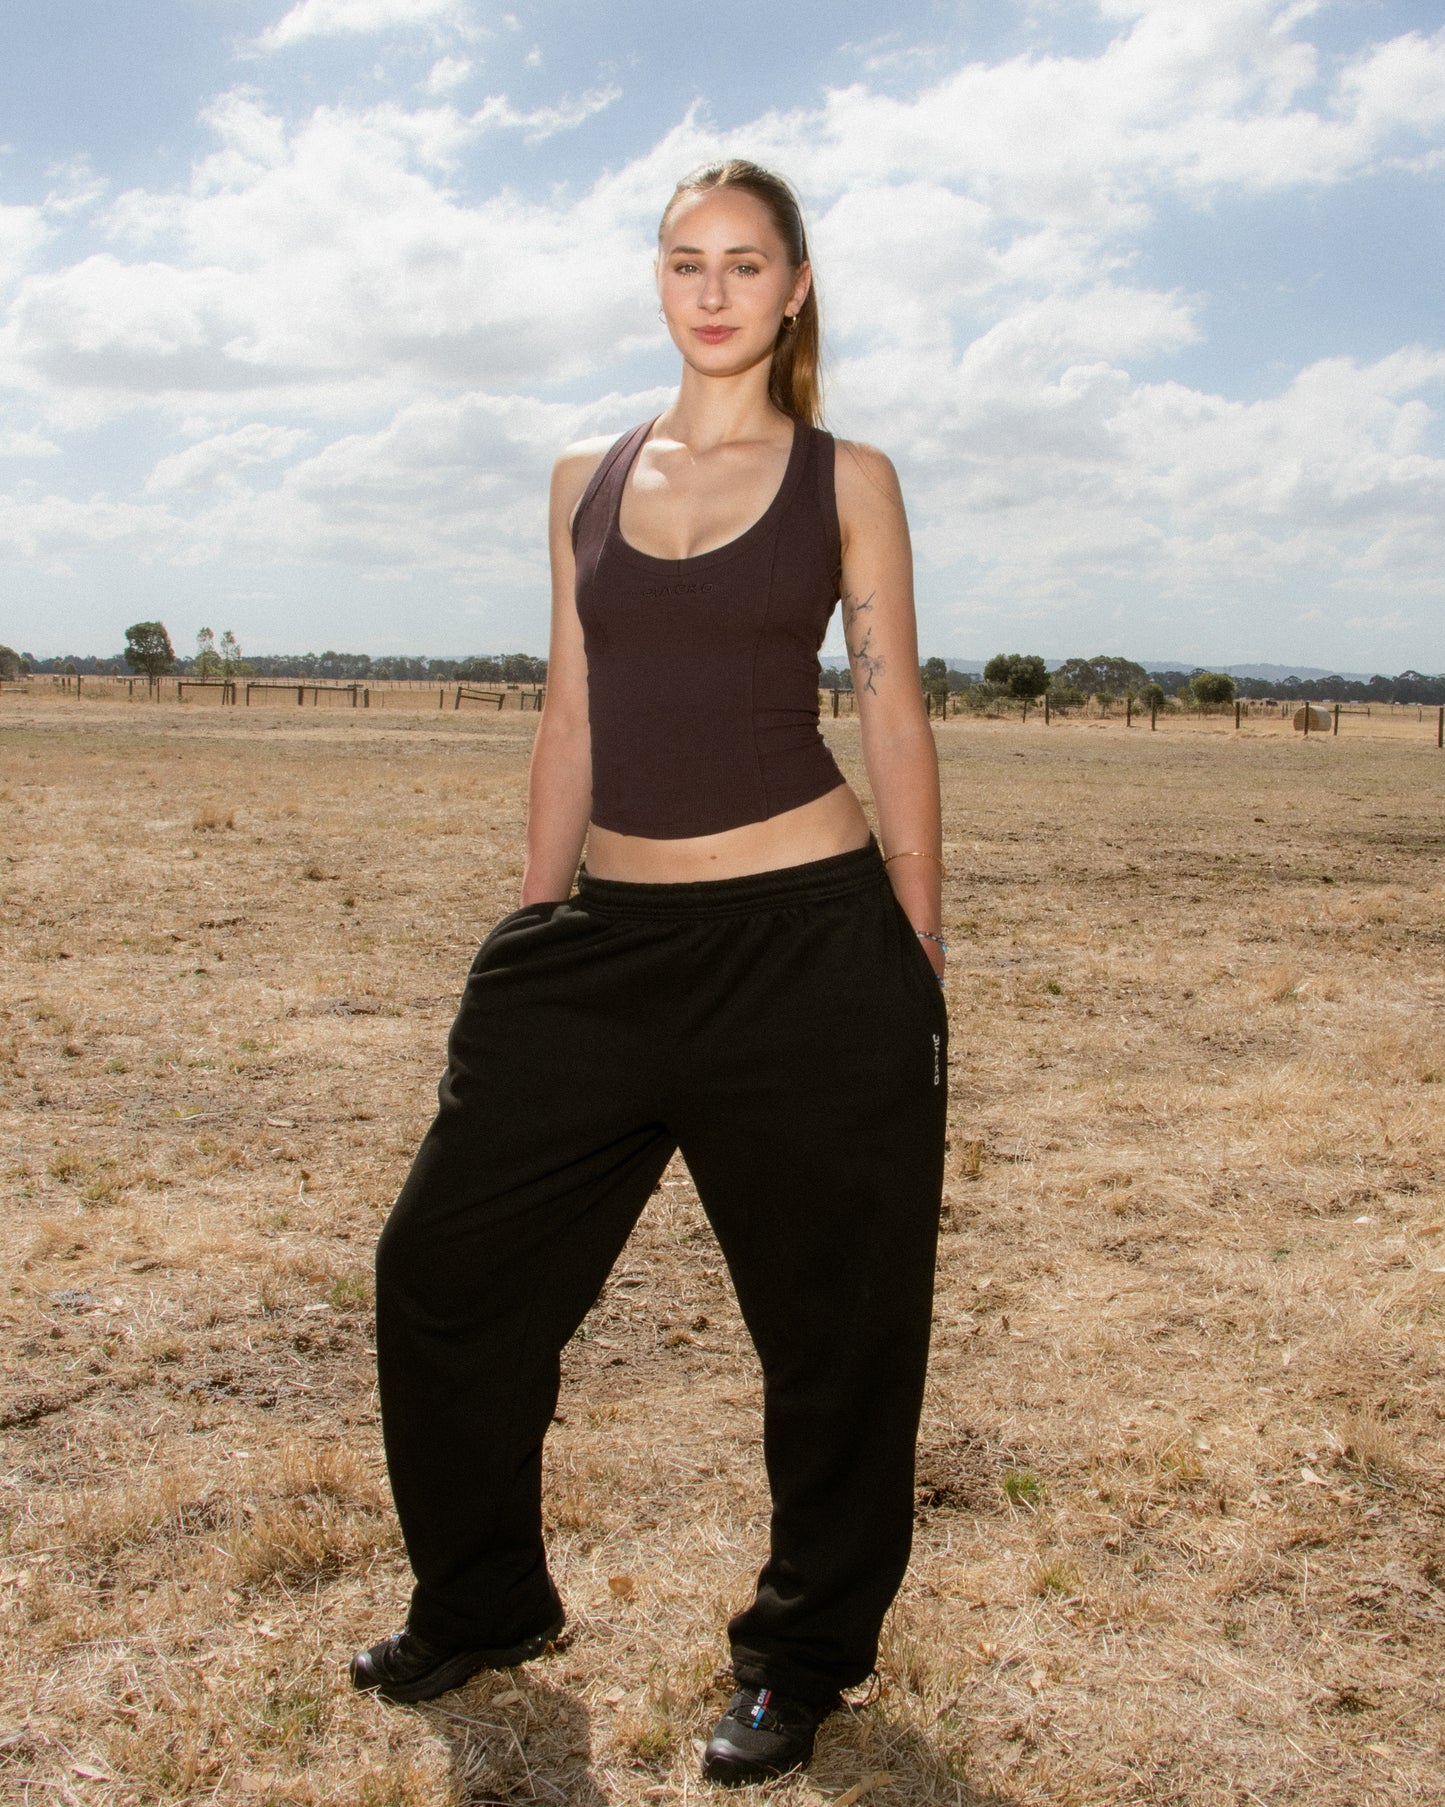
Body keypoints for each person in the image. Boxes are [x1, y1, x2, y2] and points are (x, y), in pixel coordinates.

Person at [350, 158, 949, 1787]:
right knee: (444, 1275)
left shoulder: (847, 477)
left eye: (744, 263)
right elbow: (572, 711)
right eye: (684, 261)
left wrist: (917, 953)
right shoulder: (579, 477)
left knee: (835, 1333)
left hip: (807, 951)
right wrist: (533, 929)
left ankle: (799, 1658)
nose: (711, 289)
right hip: (603, 953)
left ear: (795, 286)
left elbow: (889, 707)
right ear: (657, 281)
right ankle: (483, 1602)